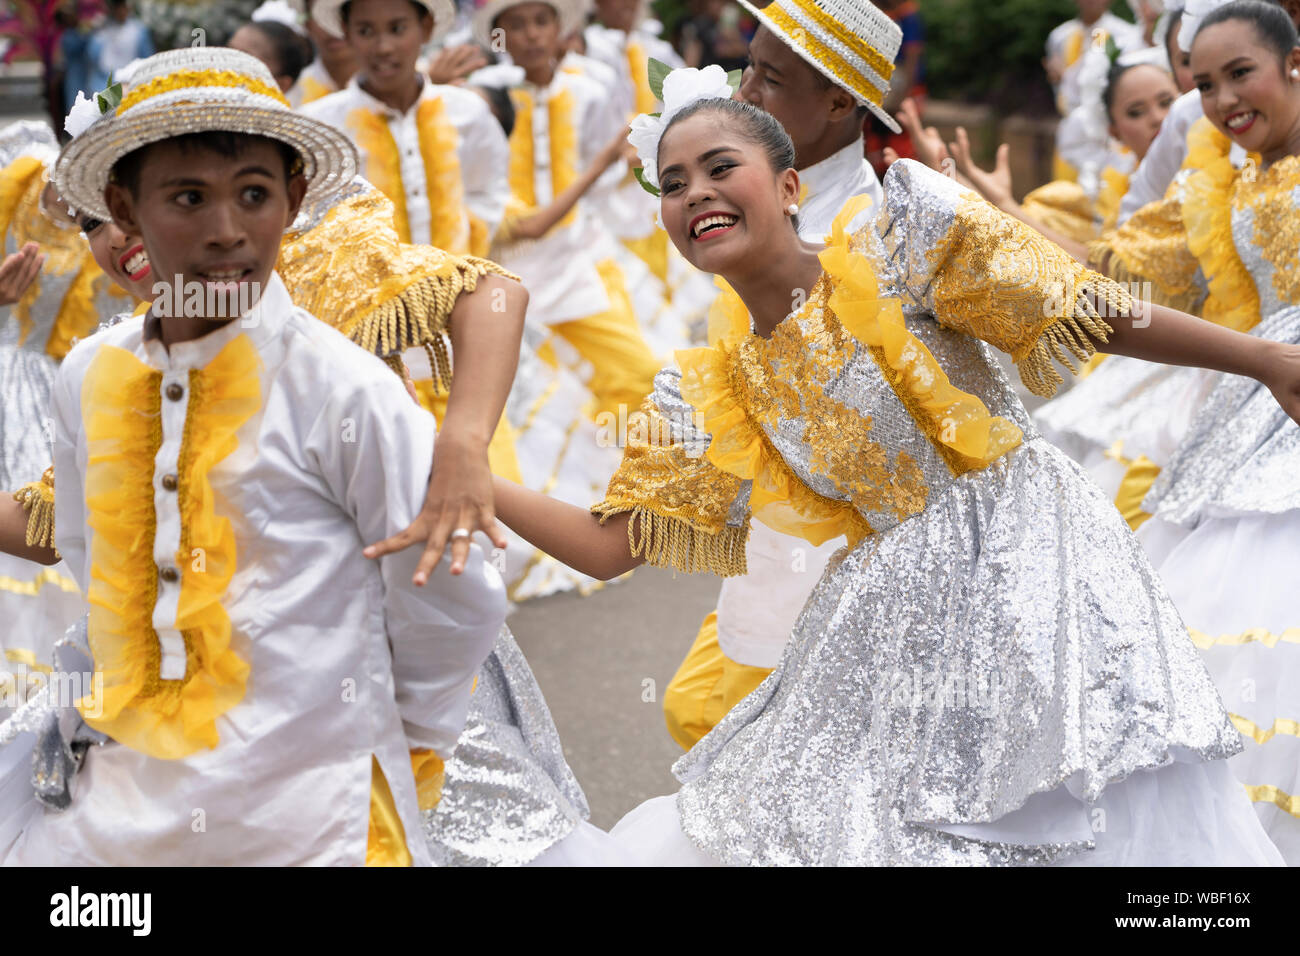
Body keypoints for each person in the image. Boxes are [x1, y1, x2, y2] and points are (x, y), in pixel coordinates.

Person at [439, 68, 1300, 866]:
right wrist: (463, 467)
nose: (693, 191)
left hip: (1036, 567)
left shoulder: (907, 231)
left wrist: (1266, 361)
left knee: (1097, 807)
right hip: (892, 611)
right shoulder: (710, 384)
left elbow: (1087, 309)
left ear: (786, 186)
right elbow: (609, 544)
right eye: (671, 184)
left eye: (717, 166)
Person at [3, 49, 513, 865]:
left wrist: (391, 734)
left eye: (253, 194)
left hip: (311, 815)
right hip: (122, 811)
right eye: (187, 198)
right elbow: (90, 552)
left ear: (296, 199)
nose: (227, 231)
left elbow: (452, 599)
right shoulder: (91, 373)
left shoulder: (344, 388)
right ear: (123, 208)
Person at [660, 0, 890, 752]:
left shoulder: (872, 233)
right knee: (697, 711)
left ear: (837, 102)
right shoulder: (756, 195)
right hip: (777, 519)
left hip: (844, 546)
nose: (746, 92)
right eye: (746, 68)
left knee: (747, 736)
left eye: (770, 77)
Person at [1107, 0, 1300, 862]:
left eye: (1241, 74)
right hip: (1256, 400)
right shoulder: (1230, 178)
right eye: (1206, 84)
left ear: (1293, 64)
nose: (1222, 100)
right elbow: (1117, 265)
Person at [470, 0, 661, 423]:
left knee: (637, 371)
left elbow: (605, 161)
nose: (532, 35)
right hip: (505, 268)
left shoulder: (587, 89)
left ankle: (626, 472)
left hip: (572, 257)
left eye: (542, 22)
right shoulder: (482, 95)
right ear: (498, 36)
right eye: (516, 26)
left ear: (561, 28)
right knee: (531, 405)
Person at [302, 0, 510, 256]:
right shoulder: (320, 128)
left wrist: (459, 258)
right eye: (366, 31)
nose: (384, 47)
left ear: (425, 27)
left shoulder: (467, 112)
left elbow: (489, 192)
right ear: (346, 32)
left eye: (397, 29)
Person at [292, 0, 361, 106]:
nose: (332, 28)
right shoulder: (292, 94)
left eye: (342, 12)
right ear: (307, 24)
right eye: (320, 16)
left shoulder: (389, 89)